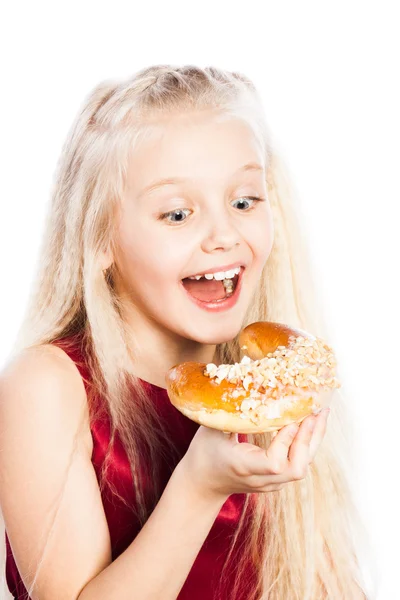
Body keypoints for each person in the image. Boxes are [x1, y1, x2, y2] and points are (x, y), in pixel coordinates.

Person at [0, 65, 374, 600]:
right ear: (99, 239)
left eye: (244, 202)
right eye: (177, 214)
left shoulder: (273, 391)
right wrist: (200, 485)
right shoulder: (47, 389)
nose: (224, 234)